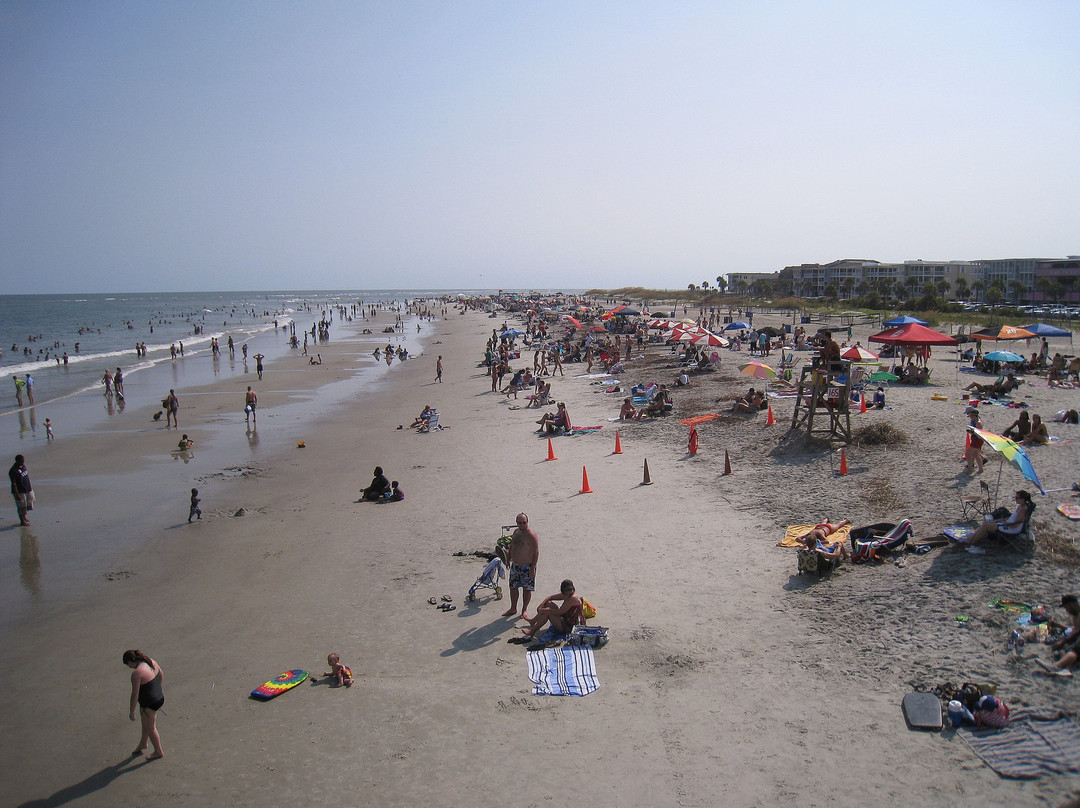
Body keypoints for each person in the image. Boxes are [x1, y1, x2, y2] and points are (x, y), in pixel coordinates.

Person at [959, 490, 1033, 554]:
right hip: (1008, 525)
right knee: (986, 523)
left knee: (986, 526)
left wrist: (1004, 523)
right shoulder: (1021, 506)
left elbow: (1015, 524)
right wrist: (999, 520)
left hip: (1012, 529)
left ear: (1023, 499)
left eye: (1017, 498)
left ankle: (971, 543)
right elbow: (1011, 518)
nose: (1015, 499)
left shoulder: (1023, 509)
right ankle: (969, 540)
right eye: (1015, 497)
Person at [123, 649, 165, 760]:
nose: (129, 667)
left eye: (128, 665)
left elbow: (135, 694)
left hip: (149, 703)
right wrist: (158, 690)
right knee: (145, 721)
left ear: (130, 662)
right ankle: (143, 743)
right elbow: (161, 674)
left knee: (151, 728)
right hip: (158, 698)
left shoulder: (137, 674)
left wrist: (131, 711)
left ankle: (158, 751)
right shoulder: (151, 661)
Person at [501, 513, 539, 619]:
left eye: (524, 523)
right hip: (515, 565)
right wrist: (508, 560)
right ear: (516, 523)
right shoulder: (516, 532)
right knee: (513, 587)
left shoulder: (531, 535)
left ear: (527, 522)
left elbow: (536, 552)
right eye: (520, 523)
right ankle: (513, 608)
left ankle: (524, 609)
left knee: (527, 589)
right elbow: (512, 547)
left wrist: (532, 568)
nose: (522, 525)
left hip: (527, 566)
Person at [517, 579, 582, 640]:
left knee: (547, 613)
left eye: (570, 590)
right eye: (566, 591)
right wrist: (540, 606)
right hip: (565, 618)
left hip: (571, 626)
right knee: (548, 603)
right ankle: (533, 621)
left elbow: (559, 612)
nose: (568, 592)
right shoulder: (566, 594)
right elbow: (550, 597)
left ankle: (532, 631)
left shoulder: (573, 598)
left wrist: (544, 610)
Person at [1036, 595, 1080, 678]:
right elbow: (1073, 630)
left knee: (1074, 650)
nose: (1067, 610)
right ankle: (1066, 669)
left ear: (1071, 604)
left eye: (1066, 607)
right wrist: (1057, 625)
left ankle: (1056, 667)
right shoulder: (1075, 616)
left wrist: (1063, 641)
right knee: (1063, 650)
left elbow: (1078, 632)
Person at [9, 454, 33, 526]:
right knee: (21, 507)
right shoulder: (13, 471)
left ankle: (24, 516)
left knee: (31, 500)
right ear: (17, 461)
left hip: (27, 488)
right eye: (21, 461)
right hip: (19, 491)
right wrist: (17, 494)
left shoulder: (24, 466)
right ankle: (22, 521)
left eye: (23, 460)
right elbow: (14, 483)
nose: (23, 462)